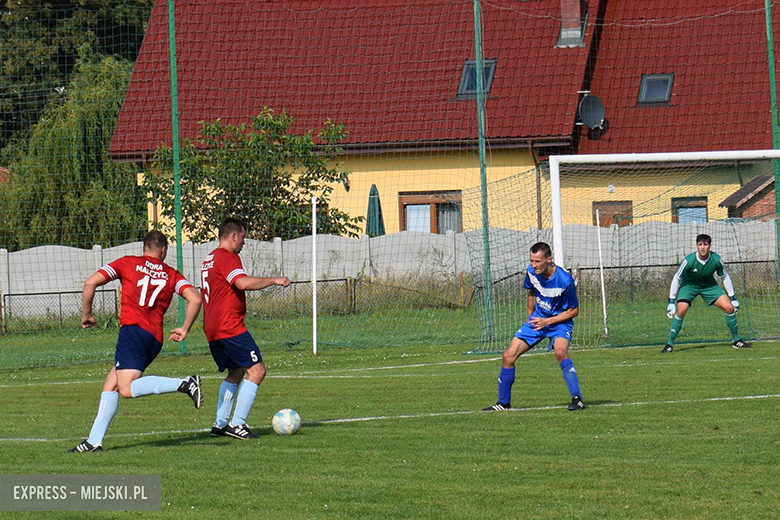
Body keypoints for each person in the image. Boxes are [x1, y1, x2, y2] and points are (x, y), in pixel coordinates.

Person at [69, 230, 203, 453]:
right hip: (154, 338)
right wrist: (184, 328)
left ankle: (185, 383)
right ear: (164, 250)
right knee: (110, 384)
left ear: (144, 248)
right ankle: (94, 441)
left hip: (132, 332)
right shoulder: (171, 273)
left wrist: (87, 315)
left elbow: (90, 283)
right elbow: (195, 299)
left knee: (127, 389)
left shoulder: (128, 263)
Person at [201, 218, 291, 440]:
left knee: (236, 372)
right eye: (242, 237)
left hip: (212, 326)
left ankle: (220, 424)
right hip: (228, 325)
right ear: (233, 236)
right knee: (257, 371)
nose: (243, 243)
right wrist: (274, 280)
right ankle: (238, 424)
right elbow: (241, 282)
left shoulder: (210, 258)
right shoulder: (227, 256)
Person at [483, 242, 585, 412]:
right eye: (531, 260)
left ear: (549, 260)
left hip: (559, 323)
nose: (533, 265)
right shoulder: (532, 273)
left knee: (560, 353)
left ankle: (577, 399)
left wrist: (548, 322)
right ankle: (503, 403)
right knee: (508, 356)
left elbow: (574, 311)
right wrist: (530, 317)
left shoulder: (565, 280)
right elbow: (532, 292)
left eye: (537, 261)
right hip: (538, 320)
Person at [661, 234, 750, 353]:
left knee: (729, 308)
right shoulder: (689, 260)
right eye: (700, 244)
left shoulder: (716, 259)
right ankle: (669, 344)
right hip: (689, 286)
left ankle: (736, 340)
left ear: (710, 246)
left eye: (705, 244)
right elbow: (677, 278)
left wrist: (733, 297)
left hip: (709, 286)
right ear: (696, 246)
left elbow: (725, 276)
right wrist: (671, 301)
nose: (702, 247)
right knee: (681, 310)